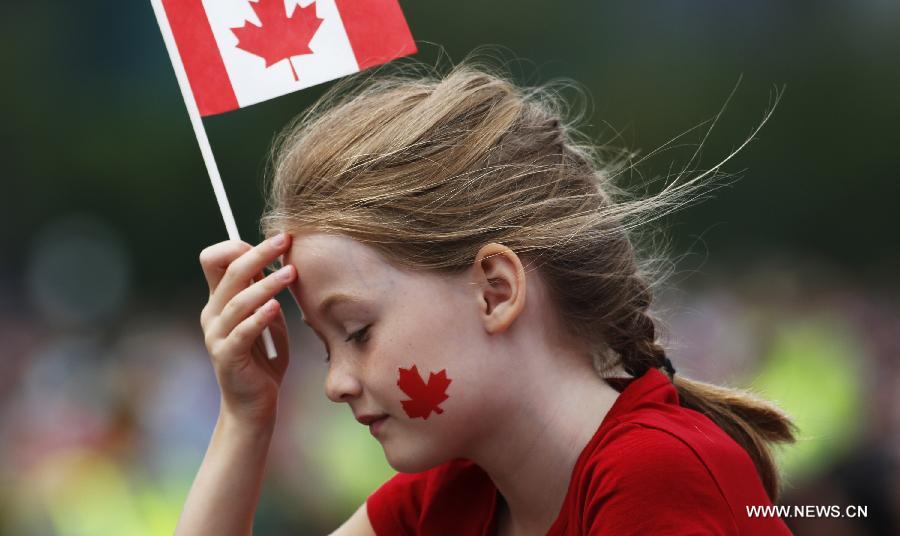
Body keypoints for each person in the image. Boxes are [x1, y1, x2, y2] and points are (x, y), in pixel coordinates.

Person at [177, 57, 797, 535]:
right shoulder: (447, 497)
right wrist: (245, 420)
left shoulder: (657, 473)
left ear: (496, 292)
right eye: (325, 344)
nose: (335, 383)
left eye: (358, 331)